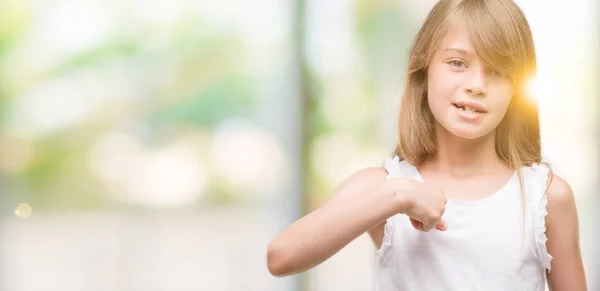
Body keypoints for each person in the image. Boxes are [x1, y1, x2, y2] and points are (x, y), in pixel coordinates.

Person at [266, 0, 587, 290]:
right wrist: (399, 195)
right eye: (457, 63)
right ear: (424, 70)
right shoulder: (383, 187)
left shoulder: (545, 196)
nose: (476, 85)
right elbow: (281, 257)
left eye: (498, 71)